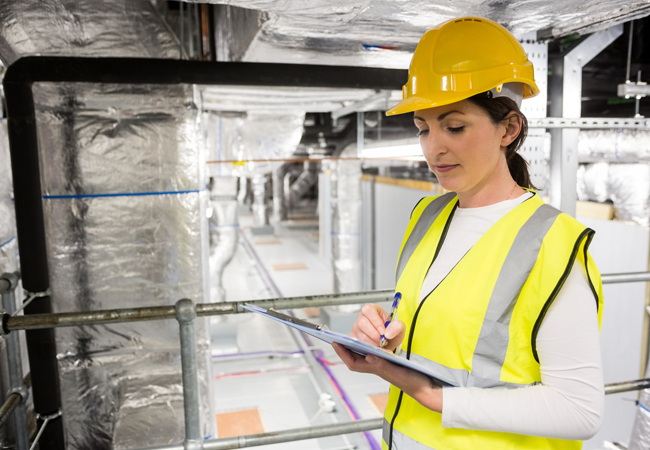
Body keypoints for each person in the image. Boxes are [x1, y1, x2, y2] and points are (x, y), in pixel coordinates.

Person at [332, 16, 605, 450]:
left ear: (509, 129)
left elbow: (580, 410)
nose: (433, 147)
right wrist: (385, 340)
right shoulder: (428, 215)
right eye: (423, 128)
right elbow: (448, 341)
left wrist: (435, 397)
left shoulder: (553, 243)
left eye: (454, 126)